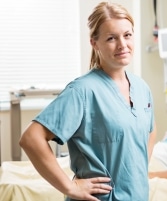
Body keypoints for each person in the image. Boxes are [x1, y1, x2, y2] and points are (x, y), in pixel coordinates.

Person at [19, 2, 157, 201]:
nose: (122, 44)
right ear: (94, 42)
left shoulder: (142, 88)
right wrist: (70, 187)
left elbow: (150, 129)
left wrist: (138, 170)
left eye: (127, 35)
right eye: (111, 38)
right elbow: (31, 138)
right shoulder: (82, 91)